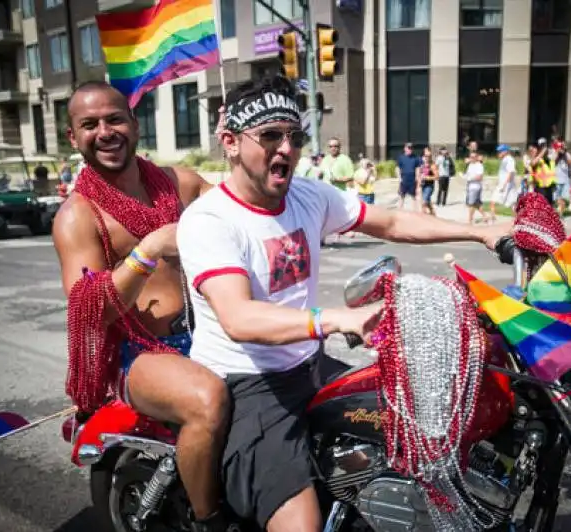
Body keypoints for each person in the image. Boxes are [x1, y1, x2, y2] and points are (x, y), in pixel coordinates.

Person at [176, 75, 510, 532]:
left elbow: (390, 221)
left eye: (294, 137)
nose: (286, 150)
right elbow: (238, 316)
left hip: (308, 366)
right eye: (270, 135)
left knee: (416, 423)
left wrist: (480, 232)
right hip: (248, 384)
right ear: (231, 142)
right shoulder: (210, 220)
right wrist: (335, 318)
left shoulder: (307, 195)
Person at [51, 81, 234, 532]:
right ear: (74, 138)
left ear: (134, 124)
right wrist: (148, 247)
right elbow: (91, 310)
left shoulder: (180, 183)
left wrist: (244, 150)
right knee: (208, 400)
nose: (105, 131)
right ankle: (209, 521)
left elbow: (243, 214)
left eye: (114, 118)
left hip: (208, 330)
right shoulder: (79, 215)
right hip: (140, 354)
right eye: (89, 124)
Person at [489, 144, 517, 221]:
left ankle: (517, 219)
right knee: (511, 203)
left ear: (506, 151)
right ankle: (493, 218)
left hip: (506, 185)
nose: (499, 153)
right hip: (504, 184)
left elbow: (511, 172)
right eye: (498, 151)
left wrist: (504, 185)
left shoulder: (510, 159)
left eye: (500, 151)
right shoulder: (505, 160)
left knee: (493, 201)